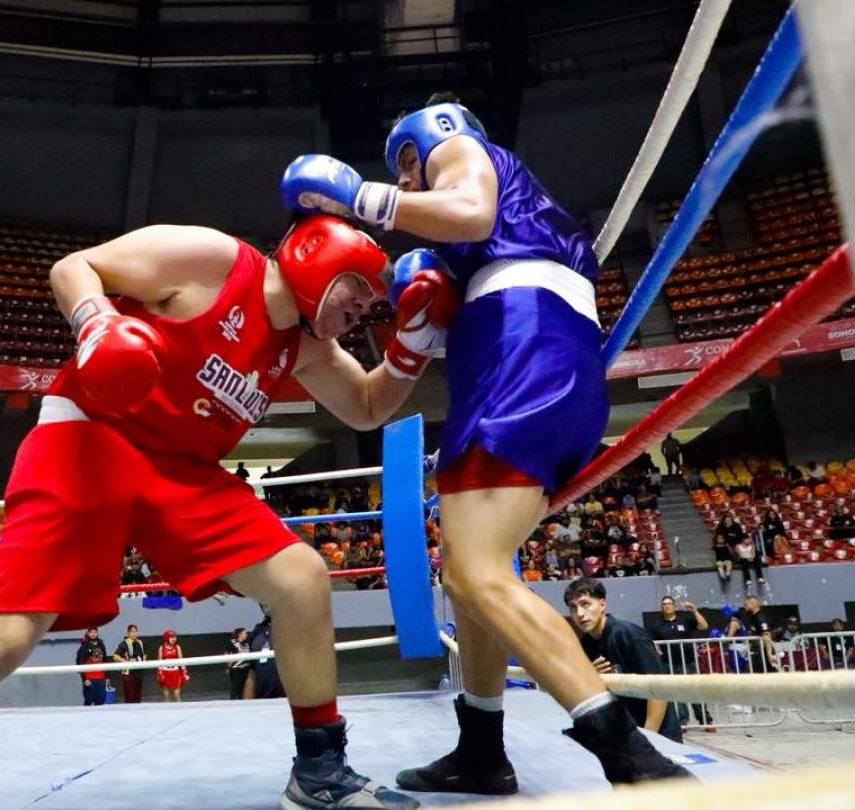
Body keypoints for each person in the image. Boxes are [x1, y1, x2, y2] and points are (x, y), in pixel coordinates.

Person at [0, 214, 445, 810]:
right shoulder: (213, 260)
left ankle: (319, 772)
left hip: (181, 472)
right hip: (90, 434)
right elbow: (76, 267)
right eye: (356, 295)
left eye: (368, 309)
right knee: (6, 638)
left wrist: (411, 348)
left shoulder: (302, 346)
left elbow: (366, 407)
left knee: (301, 578)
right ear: (320, 261)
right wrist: (97, 325)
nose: (360, 313)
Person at [281, 96, 687, 793]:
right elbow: (372, 401)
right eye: (403, 174)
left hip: (523, 348)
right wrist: (416, 332)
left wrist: (364, 196)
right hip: (525, 357)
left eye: (408, 164)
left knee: (475, 574)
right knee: (472, 576)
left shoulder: (462, 153)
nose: (410, 181)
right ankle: (481, 748)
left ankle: (635, 758)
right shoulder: (474, 257)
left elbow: (467, 210)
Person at [564, 579, 681, 743]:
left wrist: (648, 739)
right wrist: (590, 677)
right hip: (624, 735)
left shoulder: (629, 636)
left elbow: (658, 691)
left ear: (602, 604)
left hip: (656, 733)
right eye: (573, 607)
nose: (580, 613)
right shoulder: (585, 645)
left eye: (585, 604)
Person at [646, 596, 709, 725]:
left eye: (669, 603)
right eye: (664, 604)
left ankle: (705, 720)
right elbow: (649, 640)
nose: (667, 606)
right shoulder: (656, 625)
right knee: (677, 693)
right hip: (669, 663)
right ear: (661, 607)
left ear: (674, 606)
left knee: (695, 691)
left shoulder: (684, 619)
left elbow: (704, 626)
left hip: (689, 662)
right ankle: (683, 721)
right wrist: (656, 648)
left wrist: (694, 611)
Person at [111, 624, 146, 704]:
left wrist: (143, 663)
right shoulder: (124, 643)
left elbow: (144, 654)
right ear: (128, 633)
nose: (134, 633)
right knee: (130, 696)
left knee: (138, 695)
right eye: (132, 631)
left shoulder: (140, 642)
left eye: (136, 631)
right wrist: (126, 662)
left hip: (139, 672)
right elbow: (115, 656)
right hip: (128, 673)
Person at [155, 630, 189, 702]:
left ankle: (180, 710)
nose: (174, 639)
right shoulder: (161, 648)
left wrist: (184, 672)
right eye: (171, 637)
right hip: (165, 672)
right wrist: (159, 673)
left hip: (175, 672)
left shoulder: (177, 647)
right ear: (167, 638)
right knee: (166, 696)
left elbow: (181, 661)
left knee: (177, 695)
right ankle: (166, 711)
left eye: (175, 637)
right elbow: (159, 662)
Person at [228, 627, 253, 699]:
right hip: (236, 669)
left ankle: (241, 702)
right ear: (240, 634)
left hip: (246, 668)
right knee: (235, 687)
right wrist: (229, 666)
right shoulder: (233, 643)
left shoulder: (246, 644)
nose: (246, 635)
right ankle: (232, 701)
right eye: (244, 633)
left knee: (242, 689)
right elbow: (227, 654)